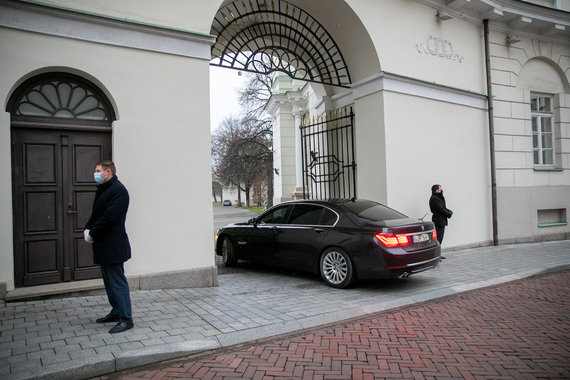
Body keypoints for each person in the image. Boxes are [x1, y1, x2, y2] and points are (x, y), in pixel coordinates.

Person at [84, 160, 133, 334]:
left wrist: (93, 233)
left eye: (98, 170)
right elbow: (96, 213)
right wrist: (88, 228)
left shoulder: (118, 191)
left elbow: (109, 217)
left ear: (108, 172)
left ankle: (126, 319)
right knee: (109, 282)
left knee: (117, 282)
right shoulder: (105, 189)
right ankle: (116, 311)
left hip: (113, 244)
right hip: (104, 244)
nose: (95, 173)